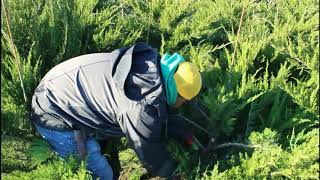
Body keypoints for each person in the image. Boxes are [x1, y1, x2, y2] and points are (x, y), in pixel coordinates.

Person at [31, 42, 202, 180]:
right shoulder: (140, 105)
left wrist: (184, 133)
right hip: (53, 113)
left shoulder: (150, 67)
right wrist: (173, 174)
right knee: (103, 174)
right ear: (175, 92)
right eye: (184, 101)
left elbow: (159, 113)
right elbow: (148, 150)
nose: (183, 105)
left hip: (60, 85)